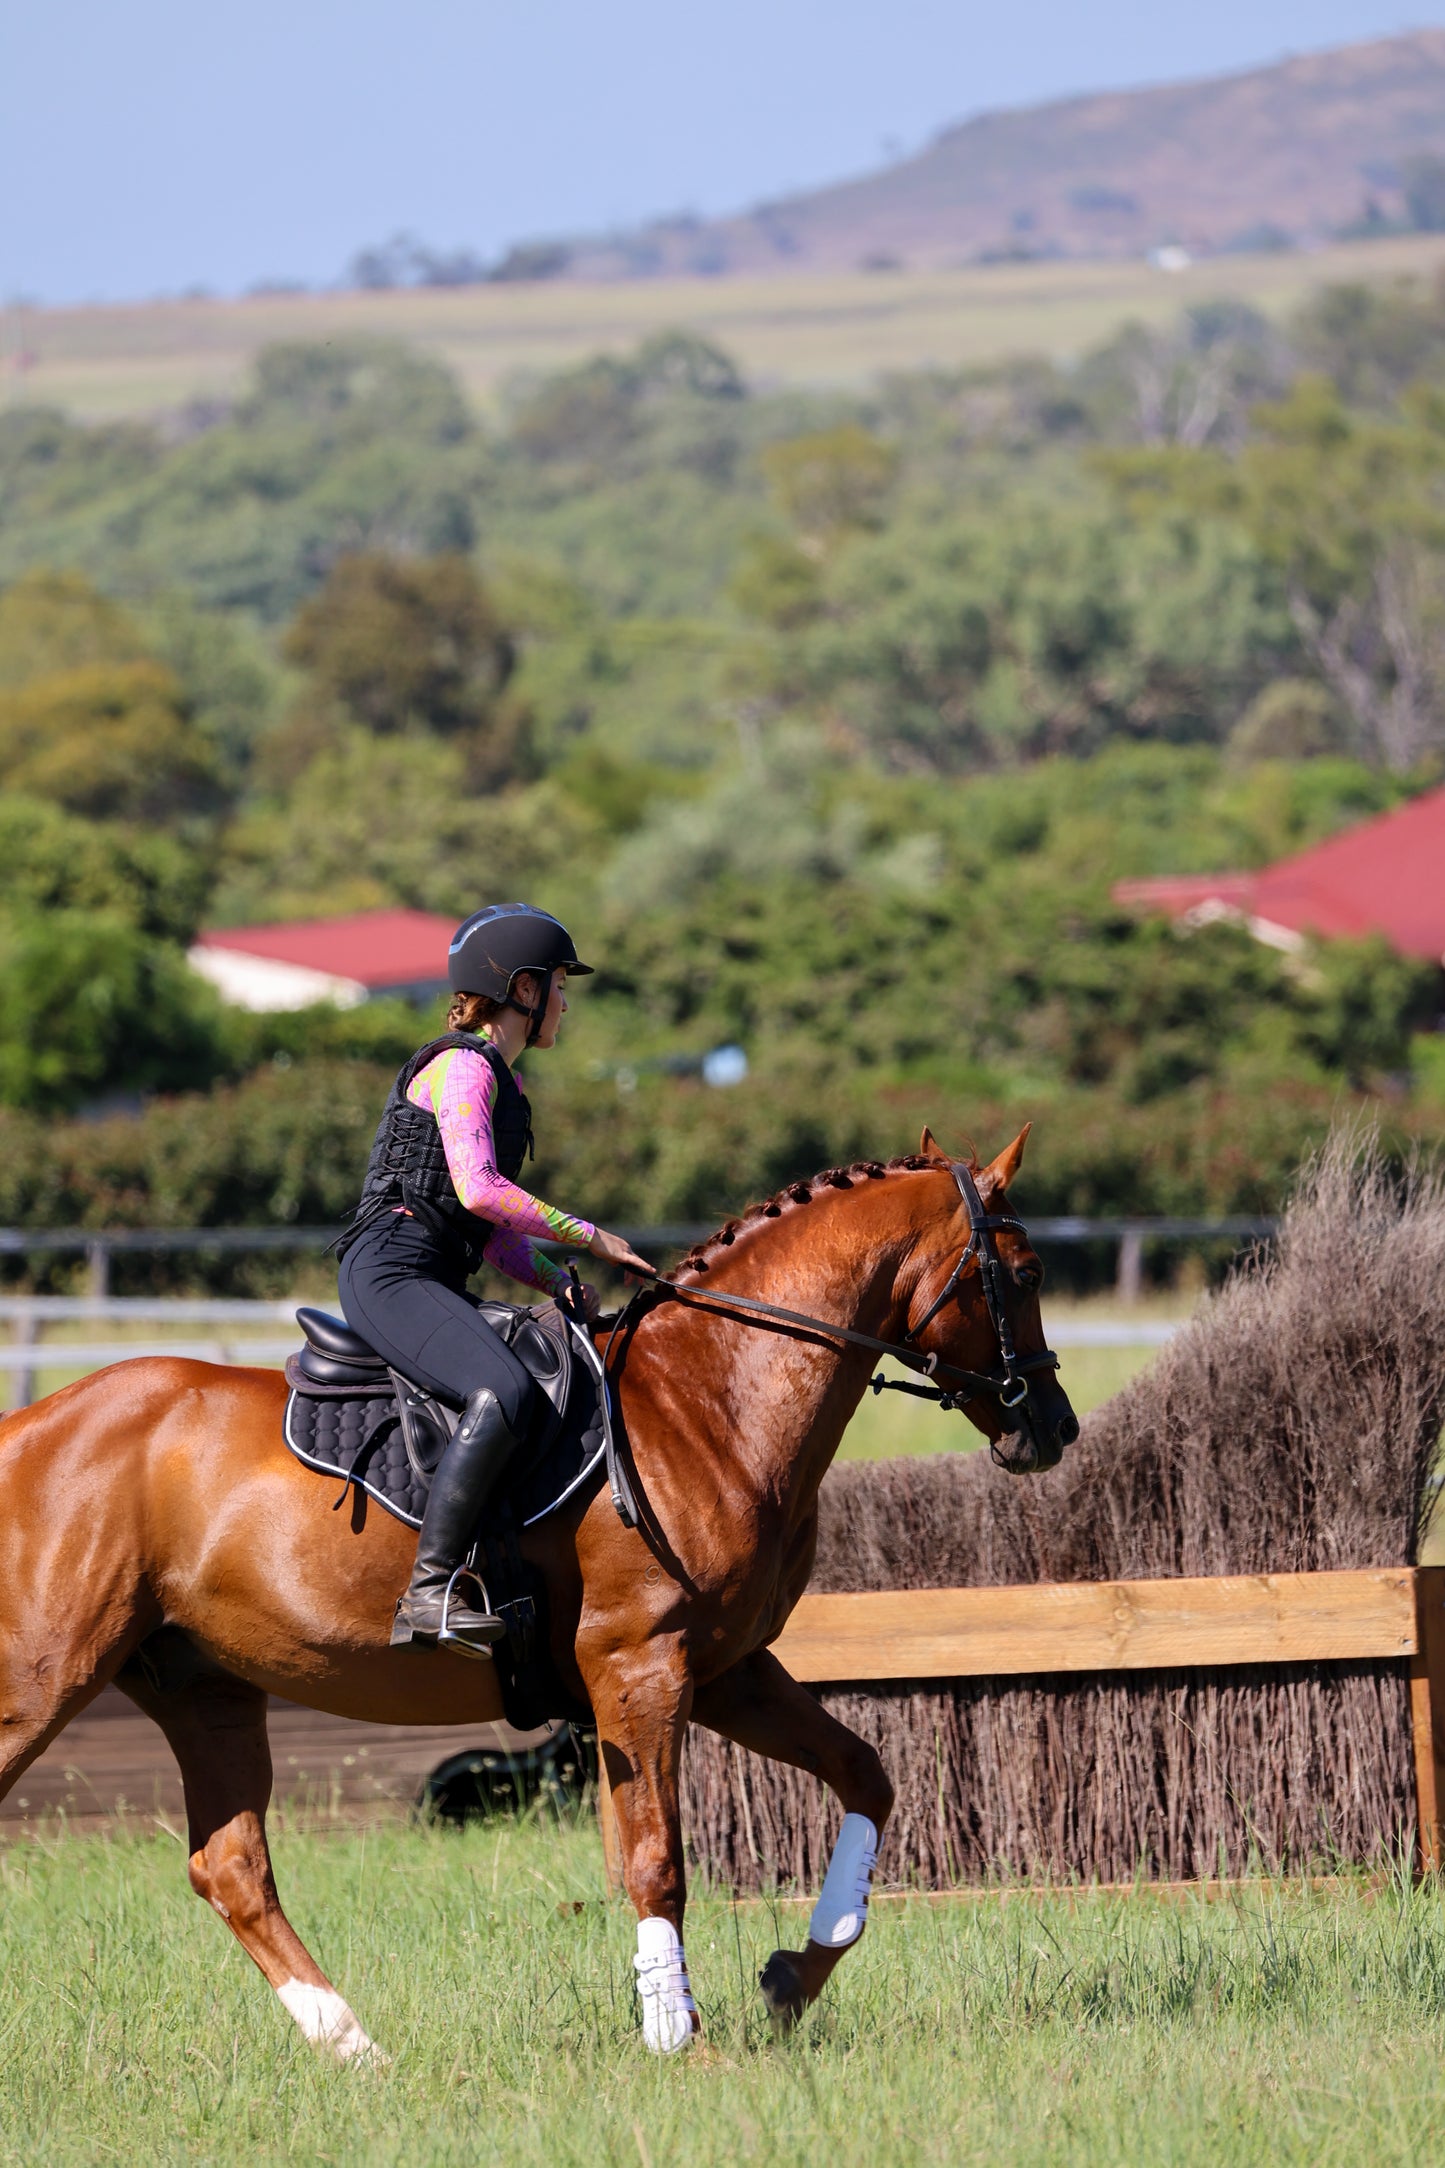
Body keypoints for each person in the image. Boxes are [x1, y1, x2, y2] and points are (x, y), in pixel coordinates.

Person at [334, 903, 654, 1657]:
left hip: (432, 1272)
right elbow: (480, 1190)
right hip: (390, 1270)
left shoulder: (503, 1086)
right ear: (521, 989)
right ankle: (428, 1593)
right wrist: (594, 1236)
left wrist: (554, 1278)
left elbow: (487, 1229)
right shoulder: (464, 1068)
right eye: (557, 986)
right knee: (503, 1392)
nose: (565, 1003)